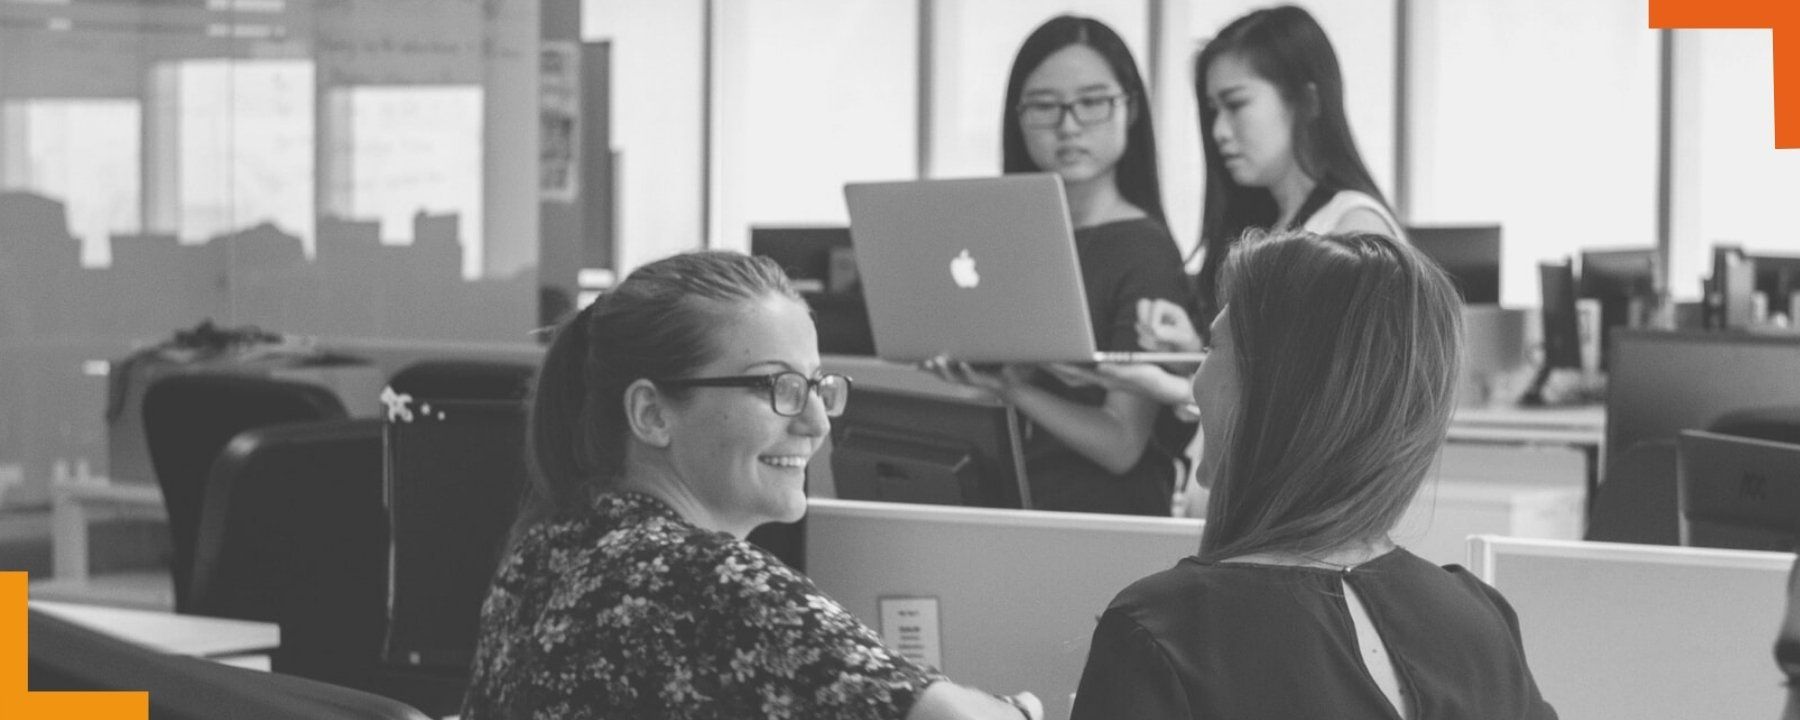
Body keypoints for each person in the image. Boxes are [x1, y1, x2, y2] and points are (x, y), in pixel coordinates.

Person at [462, 251, 1040, 720]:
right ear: (652, 414)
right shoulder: (707, 579)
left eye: (818, 386)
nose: (816, 423)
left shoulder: (549, 546)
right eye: (776, 387)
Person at [1069, 231, 1558, 720]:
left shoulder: (1164, 631)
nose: (1195, 383)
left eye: (1212, 347)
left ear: (1272, 395)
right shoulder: (1479, 624)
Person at [926, 15, 1193, 517]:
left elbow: (1122, 445)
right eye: (1045, 107)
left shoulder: (1142, 249)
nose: (1068, 126)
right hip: (1013, 507)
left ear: (1129, 109)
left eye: (1092, 102)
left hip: (1101, 522)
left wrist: (1015, 390)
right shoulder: (1011, 237)